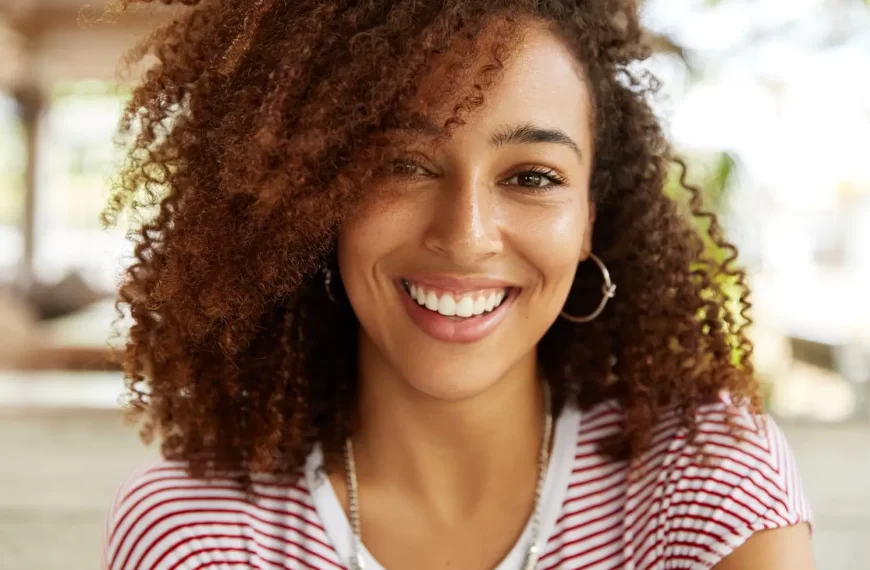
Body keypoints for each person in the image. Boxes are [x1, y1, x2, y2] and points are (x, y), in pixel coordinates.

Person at [101, 1, 814, 569]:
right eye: (403, 165)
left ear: (590, 218)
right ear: (319, 199)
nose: (466, 233)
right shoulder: (197, 533)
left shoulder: (706, 480)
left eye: (532, 177)